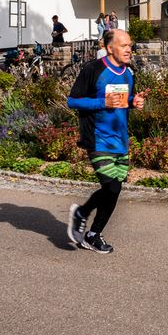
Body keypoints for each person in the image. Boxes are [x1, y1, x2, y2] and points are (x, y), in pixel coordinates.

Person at [65, 29, 145, 254]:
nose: (129, 49)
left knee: (115, 189)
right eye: (124, 45)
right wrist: (104, 102)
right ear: (110, 48)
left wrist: (133, 102)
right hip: (98, 138)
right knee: (110, 186)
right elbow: (73, 102)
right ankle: (84, 216)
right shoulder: (93, 69)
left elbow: (124, 100)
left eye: (130, 45)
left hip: (121, 139)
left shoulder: (129, 73)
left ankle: (92, 232)